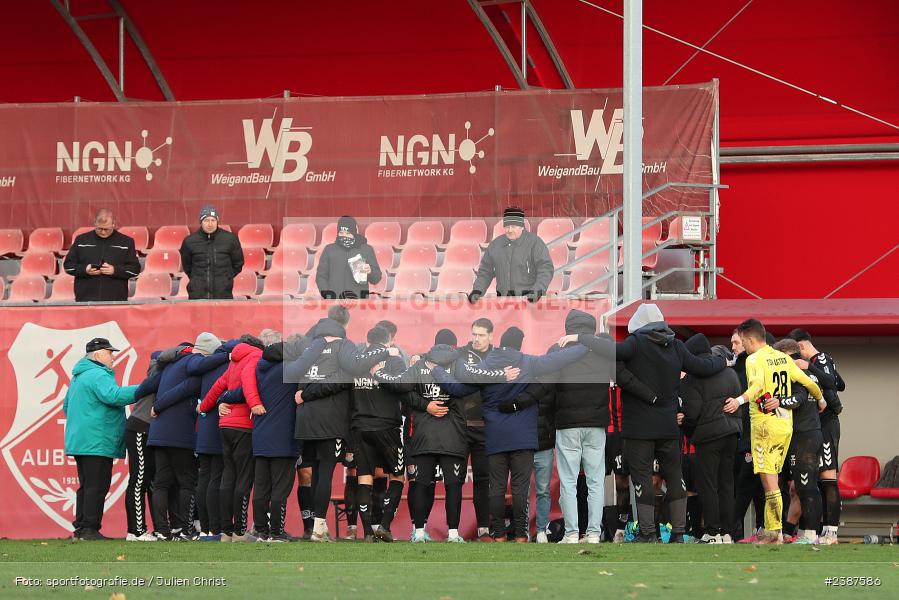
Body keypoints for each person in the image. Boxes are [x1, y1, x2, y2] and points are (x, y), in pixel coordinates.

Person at [565, 304, 727, 543]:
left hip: (638, 426)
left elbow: (611, 350)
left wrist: (580, 337)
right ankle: (679, 532)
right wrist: (722, 362)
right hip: (669, 426)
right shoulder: (677, 346)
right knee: (674, 476)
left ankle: (648, 533)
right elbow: (703, 366)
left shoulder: (636, 342)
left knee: (641, 477)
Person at [433, 326, 589, 542]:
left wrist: (436, 369)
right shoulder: (528, 362)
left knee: (496, 487)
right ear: (519, 344)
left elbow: (457, 389)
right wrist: (586, 346)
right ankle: (520, 536)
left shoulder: (486, 366)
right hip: (523, 437)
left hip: (495, 435)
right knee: (519, 488)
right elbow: (561, 359)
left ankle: (498, 535)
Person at [375, 331, 511, 543]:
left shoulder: (420, 365)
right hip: (453, 435)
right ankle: (454, 533)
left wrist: (380, 375)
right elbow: (477, 379)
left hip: (423, 435)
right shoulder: (458, 364)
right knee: (453, 485)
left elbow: (399, 387)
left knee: (421, 484)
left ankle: (419, 532)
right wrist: (502, 375)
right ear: (454, 346)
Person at [290, 313, 395, 542]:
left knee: (315, 473)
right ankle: (318, 528)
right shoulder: (343, 346)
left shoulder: (309, 347)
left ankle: (318, 526)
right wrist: (385, 350)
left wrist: (304, 394)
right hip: (330, 420)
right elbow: (353, 370)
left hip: (305, 419)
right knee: (325, 473)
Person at [725, 319, 823, 544]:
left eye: (741, 342)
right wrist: (821, 399)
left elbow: (757, 385)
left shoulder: (754, 359)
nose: (742, 347)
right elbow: (808, 382)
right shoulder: (782, 358)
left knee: (768, 482)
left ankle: (774, 532)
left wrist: (739, 400)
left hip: (764, 425)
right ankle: (773, 530)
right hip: (784, 427)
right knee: (773, 479)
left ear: (750, 339)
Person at [544, 311, 616, 544]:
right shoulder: (603, 353)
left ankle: (572, 533)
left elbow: (547, 387)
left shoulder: (557, 351)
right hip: (596, 424)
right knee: (595, 481)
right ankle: (594, 533)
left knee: (569, 481)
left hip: (568, 425)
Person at [148, 334, 224, 540]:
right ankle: (185, 529)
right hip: (179, 433)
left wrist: (155, 405)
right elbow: (183, 390)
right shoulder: (195, 365)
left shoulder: (172, 364)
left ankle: (162, 531)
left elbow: (151, 385)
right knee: (187, 482)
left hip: (159, 432)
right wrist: (227, 355)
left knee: (162, 483)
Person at [63, 338, 139, 540]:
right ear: (97, 355)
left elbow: (66, 408)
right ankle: (89, 529)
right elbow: (113, 396)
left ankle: (81, 528)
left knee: (87, 485)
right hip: (97, 440)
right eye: (109, 352)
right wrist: (143, 390)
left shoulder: (79, 376)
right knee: (97, 485)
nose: (113, 357)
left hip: (81, 440)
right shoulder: (98, 374)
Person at [197, 335, 266, 542]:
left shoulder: (234, 360)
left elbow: (219, 386)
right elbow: (248, 383)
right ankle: (239, 531)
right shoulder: (255, 356)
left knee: (228, 477)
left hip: (225, 425)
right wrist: (254, 404)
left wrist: (204, 406)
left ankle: (226, 532)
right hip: (244, 425)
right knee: (243, 480)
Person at [679, 335, 743, 544]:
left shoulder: (692, 378)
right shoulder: (730, 373)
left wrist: (687, 428)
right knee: (727, 483)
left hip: (708, 436)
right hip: (732, 432)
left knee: (709, 485)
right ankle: (727, 532)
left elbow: (692, 412)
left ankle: (713, 531)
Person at [346, 326, 407, 543]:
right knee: (398, 475)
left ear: (367, 340)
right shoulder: (394, 359)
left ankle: (368, 533)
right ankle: (385, 525)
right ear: (389, 340)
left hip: (360, 426)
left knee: (364, 478)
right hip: (386, 427)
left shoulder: (356, 363)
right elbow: (401, 387)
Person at [788, 328, 845, 545]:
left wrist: (809, 367)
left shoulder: (819, 358)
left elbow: (832, 383)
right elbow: (841, 383)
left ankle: (831, 532)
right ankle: (816, 530)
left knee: (828, 478)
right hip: (819, 426)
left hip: (828, 424)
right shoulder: (825, 359)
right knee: (817, 480)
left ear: (801, 346)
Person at [772, 338, 827, 544]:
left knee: (807, 487)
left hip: (805, 436)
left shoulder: (798, 373)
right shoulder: (808, 374)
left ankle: (811, 534)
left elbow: (799, 398)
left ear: (786, 355)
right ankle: (801, 532)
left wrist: (778, 402)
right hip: (806, 434)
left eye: (778, 358)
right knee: (800, 487)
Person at [250, 339, 304, 542]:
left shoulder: (260, 370)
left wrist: (224, 398)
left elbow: (243, 392)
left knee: (262, 488)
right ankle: (276, 531)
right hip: (283, 438)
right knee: (280, 489)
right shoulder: (289, 370)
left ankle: (261, 530)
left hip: (261, 436)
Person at [188, 335, 239, 541]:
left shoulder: (203, 366)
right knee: (217, 478)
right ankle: (215, 528)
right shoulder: (228, 366)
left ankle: (206, 529)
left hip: (204, 427)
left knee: (205, 478)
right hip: (220, 424)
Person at [453, 318, 494, 540]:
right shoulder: (460, 353)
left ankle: (484, 529)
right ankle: (453, 531)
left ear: (490, 336)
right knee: (455, 480)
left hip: (486, 429)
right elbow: (438, 358)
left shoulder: (497, 356)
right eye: (474, 334)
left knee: (482, 480)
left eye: (481, 335)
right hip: (461, 427)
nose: (476, 339)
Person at [470, 207, 553, 302]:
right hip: (503, 300)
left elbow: (545, 268)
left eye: (513, 226)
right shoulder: (495, 245)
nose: (509, 230)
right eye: (507, 226)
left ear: (521, 226)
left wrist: (538, 290)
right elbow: (485, 271)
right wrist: (477, 290)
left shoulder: (535, 243)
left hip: (528, 300)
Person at [63, 208, 140, 302]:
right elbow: (68, 266)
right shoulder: (81, 240)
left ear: (113, 224)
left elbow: (135, 269)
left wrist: (115, 270)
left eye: (107, 229)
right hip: (85, 300)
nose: (103, 232)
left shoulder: (126, 242)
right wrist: (85, 269)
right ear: (95, 223)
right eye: (99, 228)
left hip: (116, 301)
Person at [179, 204, 243, 299]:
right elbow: (187, 266)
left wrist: (225, 279)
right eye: (206, 220)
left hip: (223, 294)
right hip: (197, 295)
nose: (210, 224)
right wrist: (197, 280)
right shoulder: (189, 241)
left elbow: (238, 264)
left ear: (217, 221)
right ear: (201, 222)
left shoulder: (230, 239)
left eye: (213, 220)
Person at [315, 215, 382, 299]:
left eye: (347, 233)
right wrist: (327, 295)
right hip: (334, 302)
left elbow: (376, 278)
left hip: (358, 302)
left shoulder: (366, 249)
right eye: (341, 233)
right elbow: (321, 276)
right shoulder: (329, 250)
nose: (344, 236)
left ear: (354, 232)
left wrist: (370, 271)